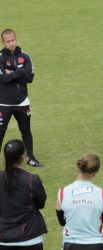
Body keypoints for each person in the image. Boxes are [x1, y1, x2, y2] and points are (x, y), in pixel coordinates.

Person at [0, 29, 43, 167]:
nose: (11, 43)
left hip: (22, 102)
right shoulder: (0, 58)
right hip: (4, 103)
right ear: (3, 42)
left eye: (13, 40)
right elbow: (3, 78)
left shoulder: (25, 57)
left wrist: (12, 73)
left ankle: (30, 157)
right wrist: (20, 72)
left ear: (16, 39)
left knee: (26, 130)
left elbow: (30, 77)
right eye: (8, 41)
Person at [0, 139, 47, 249]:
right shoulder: (32, 179)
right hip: (30, 240)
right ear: (24, 156)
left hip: (4, 240)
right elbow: (41, 204)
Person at [56, 154, 103, 250]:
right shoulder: (102, 194)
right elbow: (102, 218)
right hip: (97, 245)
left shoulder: (62, 192)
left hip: (71, 245)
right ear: (94, 173)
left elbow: (61, 221)